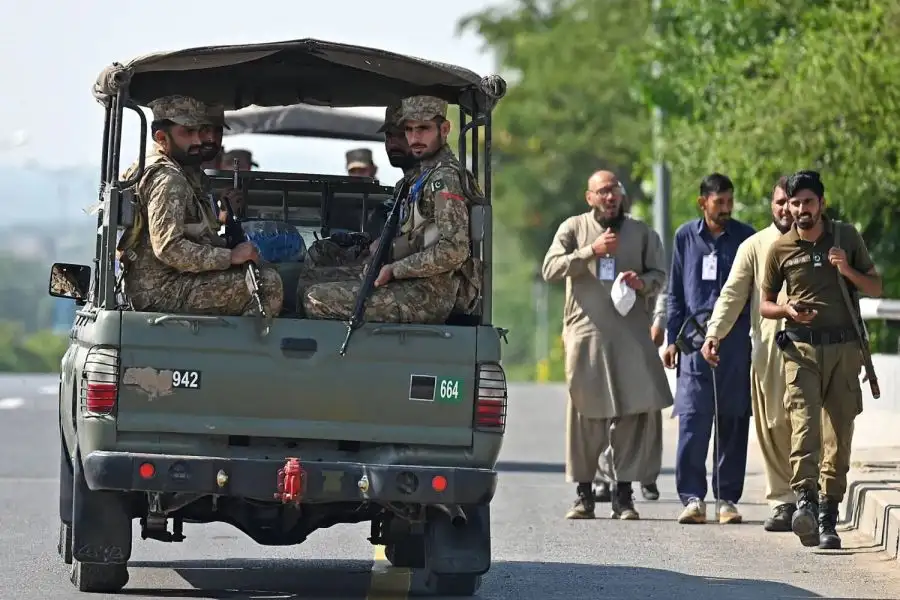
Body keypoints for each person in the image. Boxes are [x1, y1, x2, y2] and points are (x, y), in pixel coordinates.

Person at [760, 170, 882, 549]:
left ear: (821, 204)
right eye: (794, 203)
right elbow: (764, 304)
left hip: (844, 351)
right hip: (801, 350)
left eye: (808, 202)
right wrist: (787, 311)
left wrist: (846, 269)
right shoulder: (780, 248)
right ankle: (806, 505)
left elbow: (876, 286)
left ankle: (829, 515)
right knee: (804, 428)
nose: (801, 210)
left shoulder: (846, 237)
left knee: (838, 436)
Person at [542, 169, 673, 520]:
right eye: (602, 191)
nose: (610, 197)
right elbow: (550, 269)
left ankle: (624, 496)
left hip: (631, 336)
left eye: (614, 190)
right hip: (587, 336)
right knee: (586, 414)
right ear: (590, 198)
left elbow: (660, 276)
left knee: (631, 413)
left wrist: (641, 283)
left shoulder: (642, 233)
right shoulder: (574, 228)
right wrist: (591, 252)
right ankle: (584, 495)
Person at [298, 95, 480, 323]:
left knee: (316, 298)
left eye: (423, 129)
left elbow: (454, 250)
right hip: (405, 282)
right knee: (308, 280)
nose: (414, 138)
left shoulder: (444, 179)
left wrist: (396, 269)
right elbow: (417, 235)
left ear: (444, 129)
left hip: (426, 295)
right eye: (409, 130)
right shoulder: (421, 177)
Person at [117, 95, 284, 316]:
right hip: (162, 290)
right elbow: (169, 248)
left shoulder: (164, 170)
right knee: (268, 284)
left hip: (159, 283)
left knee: (260, 270)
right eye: (187, 133)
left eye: (198, 131)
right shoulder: (168, 179)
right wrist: (230, 257)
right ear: (161, 137)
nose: (198, 141)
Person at [700, 176, 797, 532]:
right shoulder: (755, 246)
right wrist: (714, 333)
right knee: (774, 426)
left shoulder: (821, 243)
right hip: (771, 350)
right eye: (781, 202)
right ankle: (783, 501)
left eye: (794, 201)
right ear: (772, 206)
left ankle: (813, 497)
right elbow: (732, 295)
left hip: (818, 351)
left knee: (814, 425)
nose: (788, 209)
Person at [663, 172, 755, 525]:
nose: (726, 209)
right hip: (693, 342)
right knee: (692, 420)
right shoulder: (686, 236)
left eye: (730, 202)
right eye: (720, 203)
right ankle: (692, 498)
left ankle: (728, 499)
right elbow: (675, 293)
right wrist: (673, 339)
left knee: (733, 419)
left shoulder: (746, 237)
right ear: (703, 203)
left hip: (734, 343)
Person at [306, 103, 419, 268]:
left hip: (401, 269)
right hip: (384, 261)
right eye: (389, 136)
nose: (393, 143)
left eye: (401, 135)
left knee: (314, 287)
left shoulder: (427, 181)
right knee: (321, 251)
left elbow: (429, 242)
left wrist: (390, 257)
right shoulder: (404, 185)